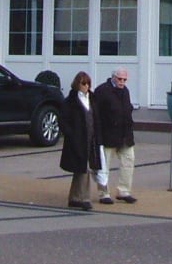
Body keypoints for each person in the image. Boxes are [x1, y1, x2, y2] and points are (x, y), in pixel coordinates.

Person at [92, 66, 137, 204]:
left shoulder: (125, 91)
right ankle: (103, 193)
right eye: (120, 79)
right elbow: (96, 114)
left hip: (125, 135)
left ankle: (124, 191)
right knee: (104, 166)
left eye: (125, 79)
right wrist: (98, 136)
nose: (122, 82)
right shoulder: (102, 91)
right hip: (108, 135)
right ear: (113, 77)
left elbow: (127, 109)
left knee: (128, 161)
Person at [58, 71, 100, 210]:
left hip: (91, 138)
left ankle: (75, 197)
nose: (86, 86)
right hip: (77, 140)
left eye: (88, 83)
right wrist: (70, 134)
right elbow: (62, 120)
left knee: (82, 168)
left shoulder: (92, 99)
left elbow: (95, 117)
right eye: (83, 83)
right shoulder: (70, 101)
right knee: (83, 168)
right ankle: (84, 198)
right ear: (77, 84)